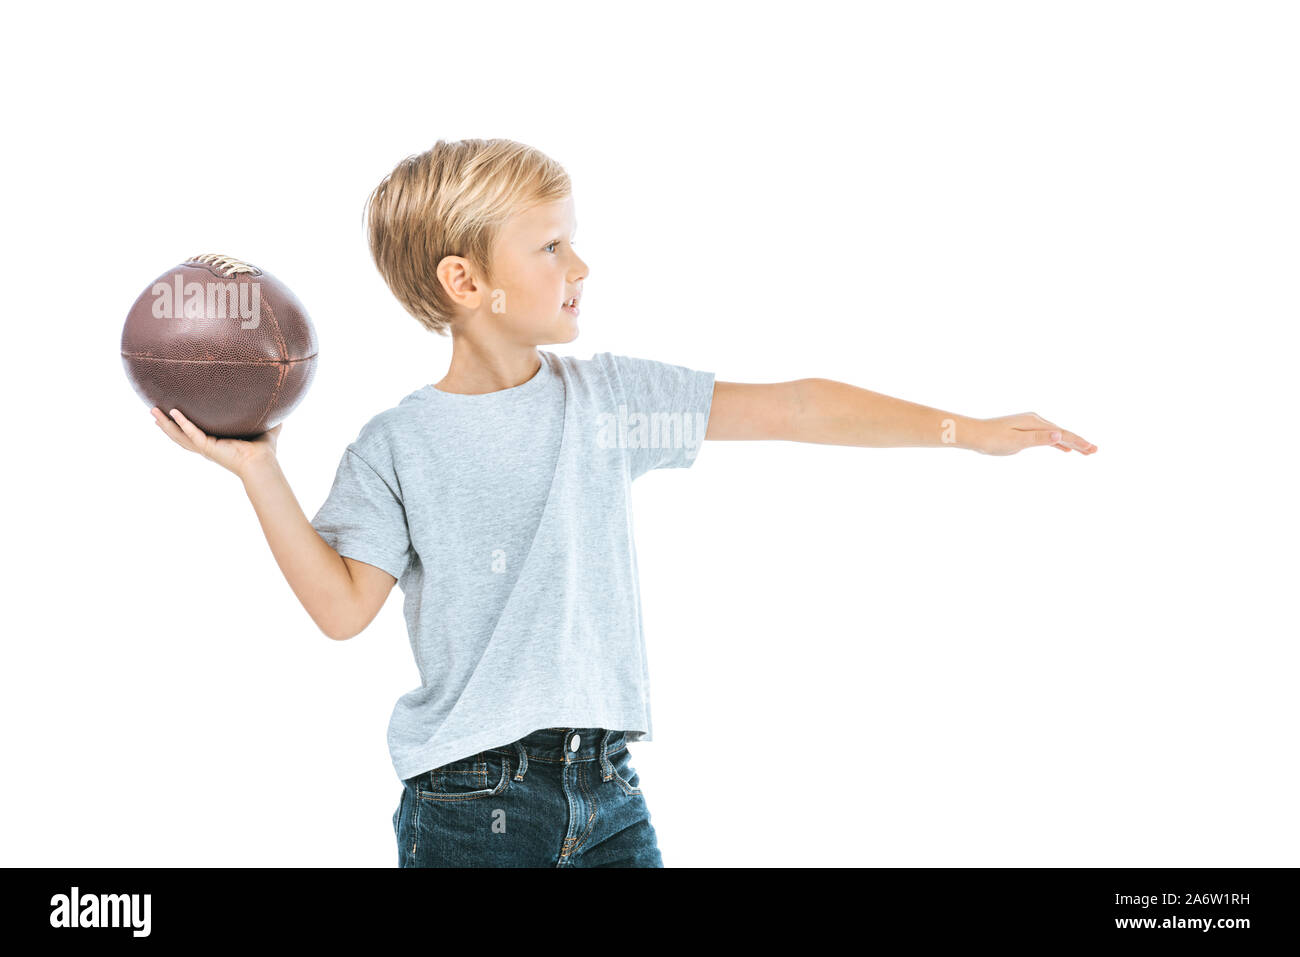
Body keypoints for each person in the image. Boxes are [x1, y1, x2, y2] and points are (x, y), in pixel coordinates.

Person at [149, 137, 1096, 867]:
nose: (582, 267)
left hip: (608, 792)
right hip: (469, 802)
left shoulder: (609, 406)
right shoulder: (397, 444)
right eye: (552, 245)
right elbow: (343, 607)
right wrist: (260, 472)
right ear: (466, 281)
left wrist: (965, 429)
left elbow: (797, 403)